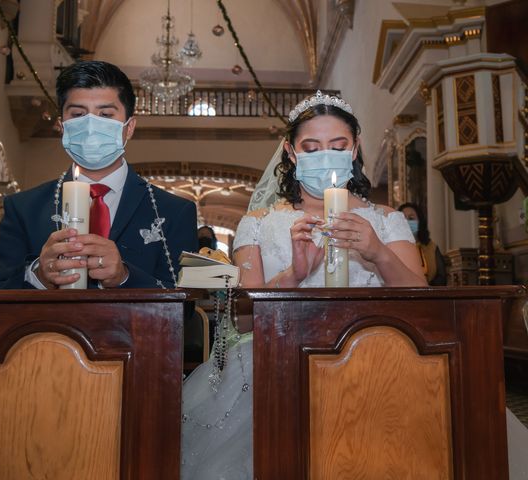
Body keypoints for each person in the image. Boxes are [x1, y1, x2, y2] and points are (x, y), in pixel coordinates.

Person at [181, 91, 426, 479]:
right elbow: (244, 320)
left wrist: (379, 252)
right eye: (311, 147)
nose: (324, 155)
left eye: (337, 145)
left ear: (355, 148)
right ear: (291, 152)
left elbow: (422, 302)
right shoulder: (258, 223)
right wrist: (292, 276)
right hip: (277, 366)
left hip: (374, 362)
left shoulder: (386, 219)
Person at [0, 61, 197, 289]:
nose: (90, 126)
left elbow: (185, 303)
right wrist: (39, 276)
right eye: (78, 114)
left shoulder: (174, 212)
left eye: (105, 114)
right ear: (62, 126)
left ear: (129, 127)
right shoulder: (23, 209)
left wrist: (125, 277)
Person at [398, 202, 447, 286]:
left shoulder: (431, 247)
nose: (407, 222)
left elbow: (441, 277)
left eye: (411, 218)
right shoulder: (393, 247)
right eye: (403, 219)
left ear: (420, 221)